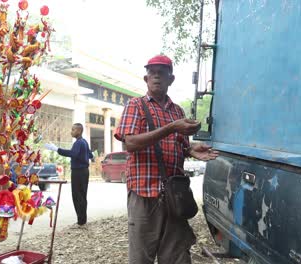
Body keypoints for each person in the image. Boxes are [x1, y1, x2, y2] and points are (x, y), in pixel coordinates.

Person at [114, 55, 219, 264]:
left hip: (174, 195)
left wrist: (191, 150)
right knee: (141, 257)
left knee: (176, 256)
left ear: (171, 79)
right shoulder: (136, 105)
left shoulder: (177, 111)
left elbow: (180, 146)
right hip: (144, 194)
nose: (156, 76)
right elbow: (131, 144)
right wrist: (171, 128)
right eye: (152, 73)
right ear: (146, 79)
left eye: (161, 73)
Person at [44, 123, 93, 228]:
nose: (71, 131)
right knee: (82, 196)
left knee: (77, 196)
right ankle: (82, 220)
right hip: (84, 171)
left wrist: (57, 149)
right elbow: (91, 155)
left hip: (78, 172)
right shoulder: (84, 142)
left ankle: (81, 222)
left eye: (73, 129)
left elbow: (73, 153)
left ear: (79, 131)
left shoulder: (79, 143)